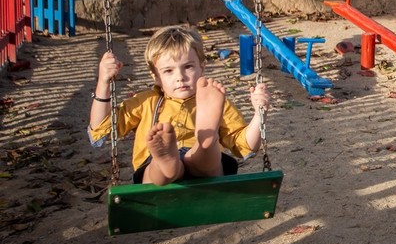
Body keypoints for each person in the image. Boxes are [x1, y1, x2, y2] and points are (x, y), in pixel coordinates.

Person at [88, 25, 270, 186]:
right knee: (157, 169)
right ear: (156, 76)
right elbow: (102, 128)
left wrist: (259, 114)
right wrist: (103, 83)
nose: (180, 77)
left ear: (202, 67)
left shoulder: (212, 100)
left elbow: (245, 144)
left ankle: (205, 142)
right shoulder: (145, 102)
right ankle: (168, 160)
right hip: (157, 175)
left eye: (188, 67)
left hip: (206, 176)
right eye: (168, 70)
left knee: (205, 157)